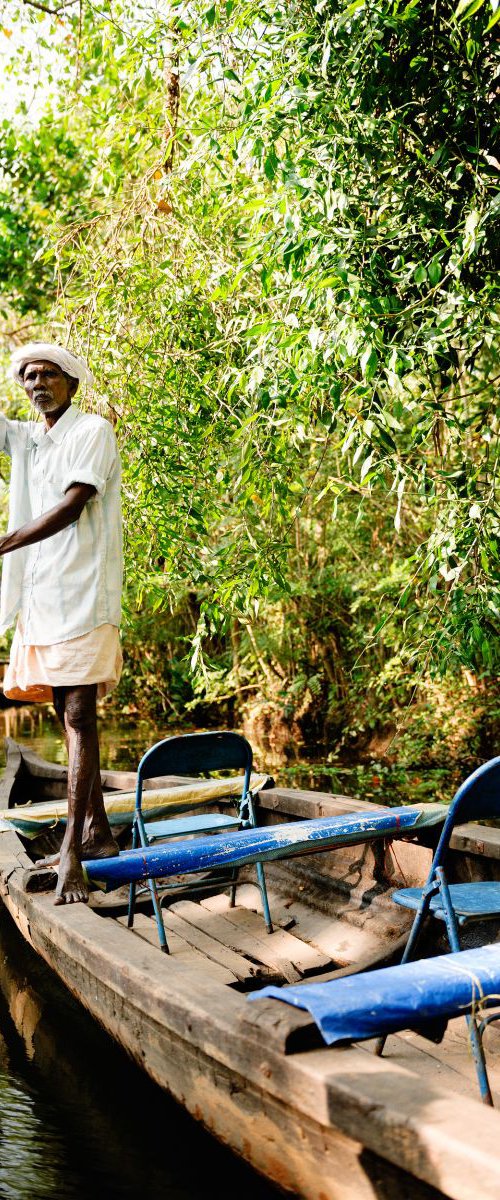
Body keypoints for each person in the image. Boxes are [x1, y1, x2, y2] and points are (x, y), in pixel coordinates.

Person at [0, 342, 123, 905]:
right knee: (63, 709)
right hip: (43, 598)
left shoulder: (91, 430)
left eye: (48, 374)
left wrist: (5, 541)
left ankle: (73, 848)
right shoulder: (30, 439)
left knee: (79, 716)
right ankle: (96, 830)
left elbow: (74, 505)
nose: (36, 383)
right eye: (28, 376)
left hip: (82, 594)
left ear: (71, 382)